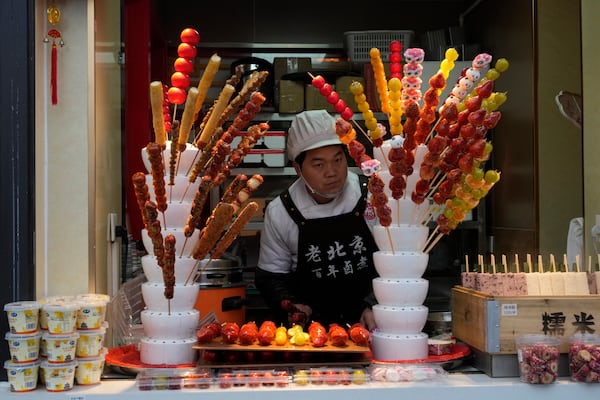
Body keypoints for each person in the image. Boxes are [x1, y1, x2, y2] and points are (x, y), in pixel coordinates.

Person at [255, 110, 379, 331]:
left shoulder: (371, 196)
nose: (332, 172)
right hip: (311, 334)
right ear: (297, 169)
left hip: (370, 325)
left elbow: (396, 261)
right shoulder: (282, 212)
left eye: (337, 160)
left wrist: (374, 304)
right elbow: (271, 278)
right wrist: (293, 306)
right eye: (319, 165)